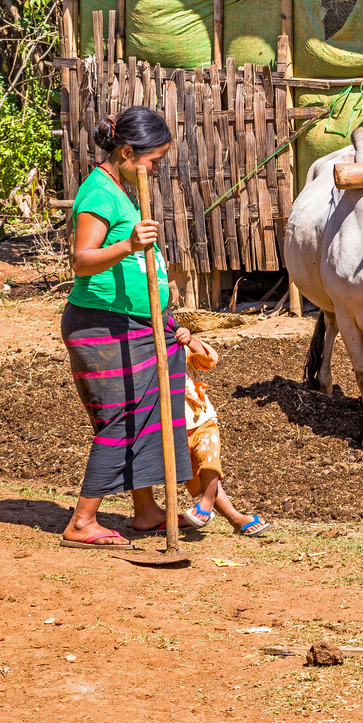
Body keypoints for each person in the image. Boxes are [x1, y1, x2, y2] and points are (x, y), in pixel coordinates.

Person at [59, 106, 191, 548]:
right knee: (121, 419)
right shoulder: (98, 193)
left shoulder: (124, 187)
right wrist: (129, 243)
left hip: (139, 322)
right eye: (153, 161)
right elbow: (81, 261)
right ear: (128, 151)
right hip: (101, 326)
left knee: (151, 415)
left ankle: (147, 510)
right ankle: (82, 521)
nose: (155, 169)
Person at [173, 327, 270, 537]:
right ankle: (236, 519)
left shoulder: (181, 347)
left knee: (209, 461)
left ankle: (205, 505)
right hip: (173, 429)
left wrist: (190, 341)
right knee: (200, 479)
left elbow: (210, 359)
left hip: (201, 420)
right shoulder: (144, 354)